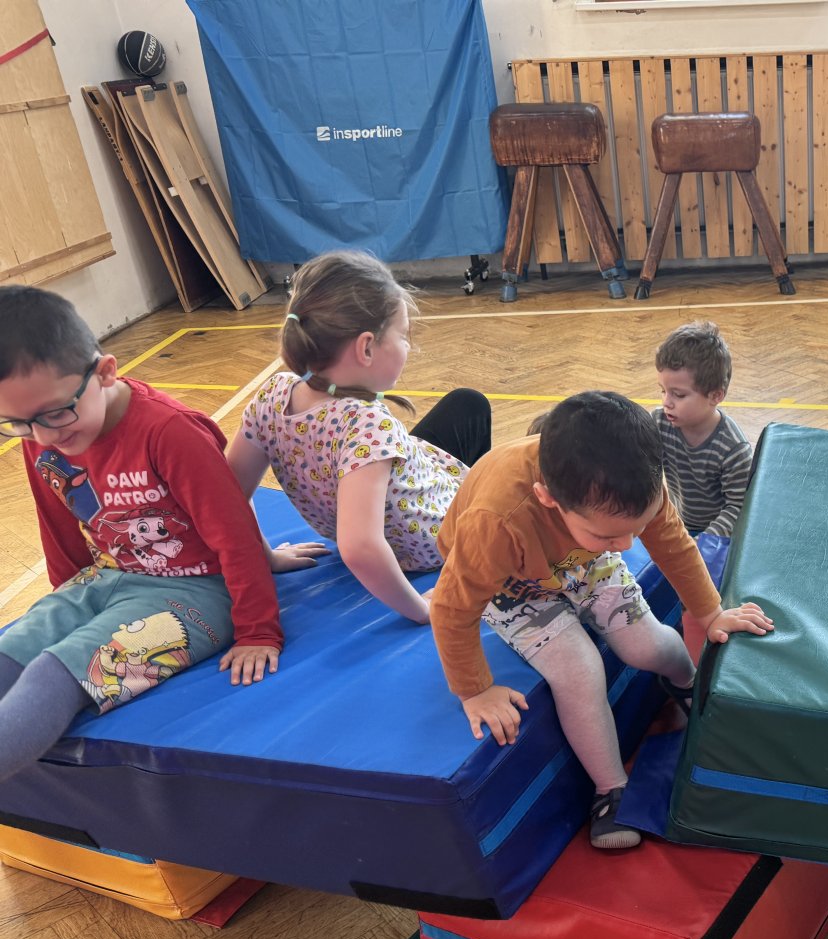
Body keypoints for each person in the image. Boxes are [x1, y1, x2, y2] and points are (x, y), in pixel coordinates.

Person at [431, 390, 772, 849]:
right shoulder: (495, 520)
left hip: (583, 559)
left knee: (646, 645)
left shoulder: (632, 488)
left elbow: (673, 544)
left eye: (636, 529)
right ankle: (610, 789)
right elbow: (452, 608)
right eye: (613, 535)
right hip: (512, 581)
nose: (628, 545)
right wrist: (475, 689)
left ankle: (688, 683)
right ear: (548, 499)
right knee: (579, 670)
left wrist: (710, 612)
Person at [0, 285, 283, 782]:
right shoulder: (42, 431)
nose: (43, 437)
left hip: (196, 591)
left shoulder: (169, 432)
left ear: (105, 372)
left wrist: (258, 629)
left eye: (56, 413)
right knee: (10, 654)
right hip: (109, 576)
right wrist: (67, 600)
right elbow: (58, 522)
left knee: (55, 673)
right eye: (17, 424)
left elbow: (234, 534)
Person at [226, 250, 492, 623]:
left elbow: (230, 490)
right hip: (433, 538)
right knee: (491, 443)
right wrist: (422, 611)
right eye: (403, 336)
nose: (408, 346)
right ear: (366, 347)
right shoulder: (368, 425)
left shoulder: (275, 393)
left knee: (467, 404)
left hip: (399, 501)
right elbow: (360, 548)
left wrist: (266, 556)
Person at [654, 320, 752, 537]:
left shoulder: (733, 449)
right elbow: (643, 468)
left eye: (678, 395)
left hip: (719, 535)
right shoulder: (659, 423)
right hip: (680, 522)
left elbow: (737, 508)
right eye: (663, 390)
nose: (666, 402)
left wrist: (705, 541)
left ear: (715, 396)